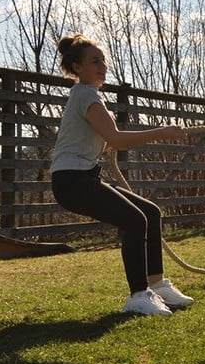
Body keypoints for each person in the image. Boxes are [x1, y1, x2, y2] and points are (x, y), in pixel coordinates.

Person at [50, 34, 194, 317]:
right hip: (72, 181)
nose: (102, 66)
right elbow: (115, 137)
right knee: (135, 220)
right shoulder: (86, 95)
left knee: (150, 213)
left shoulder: (85, 95)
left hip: (81, 178)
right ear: (78, 67)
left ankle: (157, 285)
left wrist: (106, 143)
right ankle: (139, 296)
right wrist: (162, 132)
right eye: (95, 61)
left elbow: (102, 139)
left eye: (103, 60)